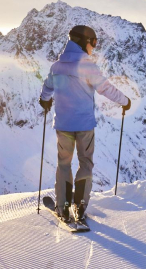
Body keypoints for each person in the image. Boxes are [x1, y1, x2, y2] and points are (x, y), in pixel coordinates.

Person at [39, 25, 131, 223]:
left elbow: (47, 87)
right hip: (84, 126)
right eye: (93, 43)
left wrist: (45, 99)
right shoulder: (87, 66)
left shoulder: (57, 66)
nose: (93, 48)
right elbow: (105, 88)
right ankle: (80, 207)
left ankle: (63, 208)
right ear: (83, 41)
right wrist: (125, 101)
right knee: (85, 163)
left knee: (64, 164)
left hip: (63, 125)